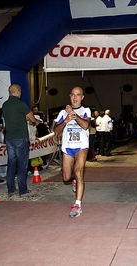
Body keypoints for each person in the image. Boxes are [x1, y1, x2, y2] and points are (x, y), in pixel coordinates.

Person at [53, 86, 91, 218]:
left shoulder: (86, 110)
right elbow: (55, 131)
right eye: (73, 95)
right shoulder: (63, 113)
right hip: (67, 147)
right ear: (69, 96)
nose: (75, 97)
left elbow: (86, 125)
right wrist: (66, 120)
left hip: (81, 146)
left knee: (78, 171)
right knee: (66, 177)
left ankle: (78, 204)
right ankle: (74, 180)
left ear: (82, 97)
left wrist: (74, 116)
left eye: (78, 95)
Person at [2, 84, 40, 197]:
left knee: (11, 164)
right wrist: (33, 121)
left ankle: (11, 189)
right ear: (18, 92)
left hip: (9, 138)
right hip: (20, 137)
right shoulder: (20, 104)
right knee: (22, 165)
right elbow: (32, 117)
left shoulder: (5, 104)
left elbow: (13, 117)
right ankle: (22, 190)